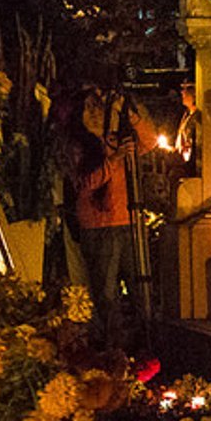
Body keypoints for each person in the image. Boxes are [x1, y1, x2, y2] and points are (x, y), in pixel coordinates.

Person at [66, 86, 137, 349]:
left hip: (126, 221)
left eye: (98, 108)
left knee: (138, 288)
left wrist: (124, 110)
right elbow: (85, 183)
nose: (94, 114)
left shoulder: (114, 139)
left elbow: (149, 140)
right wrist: (114, 161)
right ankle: (112, 348)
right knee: (106, 293)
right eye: (88, 109)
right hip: (99, 225)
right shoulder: (77, 146)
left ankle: (140, 344)